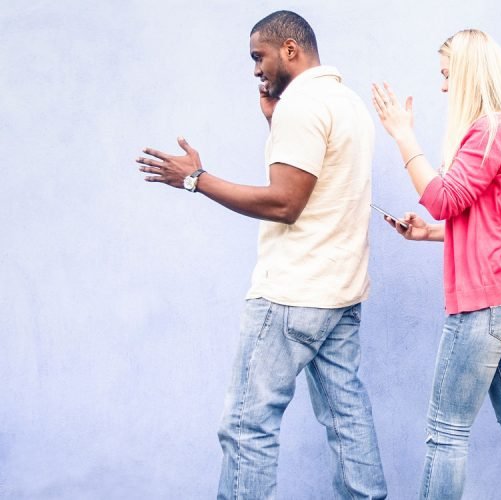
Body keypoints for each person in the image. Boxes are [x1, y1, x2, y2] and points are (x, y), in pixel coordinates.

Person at [136, 10, 387, 499]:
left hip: (292, 294)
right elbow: (321, 182)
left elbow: (285, 203)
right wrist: (276, 123)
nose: (255, 69)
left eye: (260, 56)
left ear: (290, 49)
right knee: (347, 419)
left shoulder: (303, 106)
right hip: (341, 294)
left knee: (247, 426)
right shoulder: (348, 104)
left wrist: (195, 179)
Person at [370, 29, 501, 500]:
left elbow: (443, 199)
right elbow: (484, 218)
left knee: (446, 433)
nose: (444, 86)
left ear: (469, 73)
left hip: (485, 307)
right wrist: (430, 233)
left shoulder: (489, 131)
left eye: (448, 75)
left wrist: (403, 136)